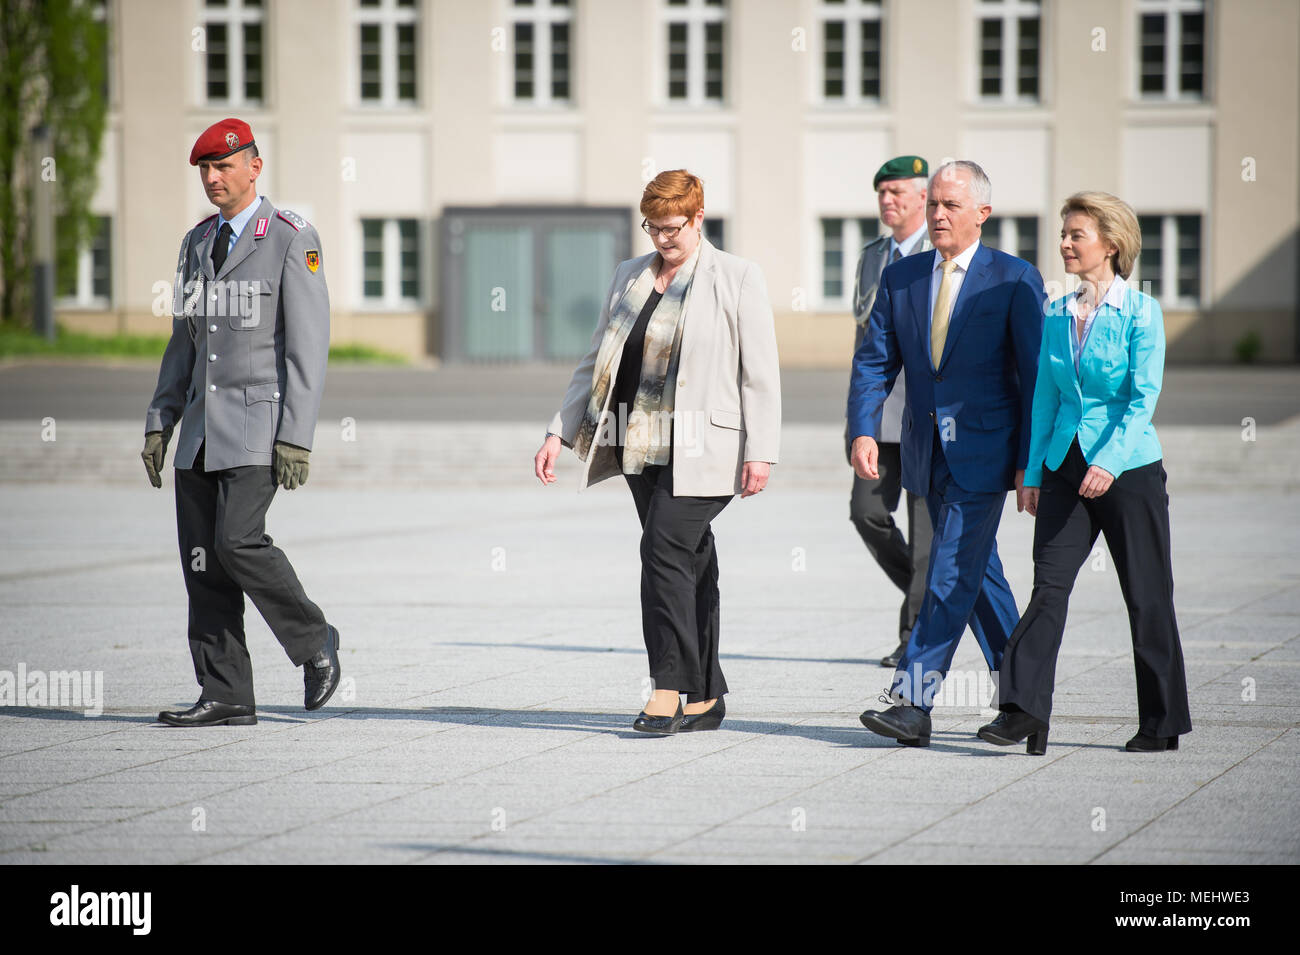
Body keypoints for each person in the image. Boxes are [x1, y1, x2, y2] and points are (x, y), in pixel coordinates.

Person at [534, 169, 781, 735]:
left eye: (672, 228)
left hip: (707, 446)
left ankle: (667, 687)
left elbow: (760, 374)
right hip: (638, 446)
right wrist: (558, 431)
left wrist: (761, 451)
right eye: (653, 228)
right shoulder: (630, 274)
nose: (662, 239)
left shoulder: (737, 277)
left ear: (698, 218)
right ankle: (706, 696)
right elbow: (595, 358)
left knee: (663, 550)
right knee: (691, 561)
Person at [142, 118, 340, 727]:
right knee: (202, 561)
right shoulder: (196, 243)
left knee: (238, 541)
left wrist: (296, 437)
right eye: (204, 168)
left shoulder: (289, 236)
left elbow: (308, 346)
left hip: (259, 430)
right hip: (200, 435)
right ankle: (226, 692)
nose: (212, 177)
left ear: (255, 166)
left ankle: (314, 642)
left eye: (223, 166)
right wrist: (161, 420)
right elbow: (184, 342)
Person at [979, 192, 1192, 755]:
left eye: (1077, 234)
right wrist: (1030, 468)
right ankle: (1024, 710)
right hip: (1060, 467)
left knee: (1146, 595)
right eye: (1064, 233)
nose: (1065, 243)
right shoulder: (1054, 311)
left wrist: (1107, 462)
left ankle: (1161, 723)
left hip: (1129, 469)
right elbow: (1045, 395)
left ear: (1112, 245)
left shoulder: (1141, 312)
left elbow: (1142, 398)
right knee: (1048, 588)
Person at [848, 160, 1044, 747]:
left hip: (986, 454)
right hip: (922, 452)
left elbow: (1035, 379)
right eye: (932, 204)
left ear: (982, 213)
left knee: (950, 567)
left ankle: (913, 702)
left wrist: (1030, 464)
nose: (936, 214)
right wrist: (863, 428)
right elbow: (875, 359)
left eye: (950, 206)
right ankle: (1025, 701)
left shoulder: (1014, 278)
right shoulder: (903, 277)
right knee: (979, 576)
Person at [847, 156, 935, 668]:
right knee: (867, 513)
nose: (888, 201)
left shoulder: (939, 252)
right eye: (882, 192)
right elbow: (863, 346)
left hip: (924, 417)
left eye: (898, 192)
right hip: (879, 418)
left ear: (921, 196)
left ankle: (914, 637)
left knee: (926, 536)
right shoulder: (872, 256)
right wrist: (855, 422)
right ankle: (938, 596)